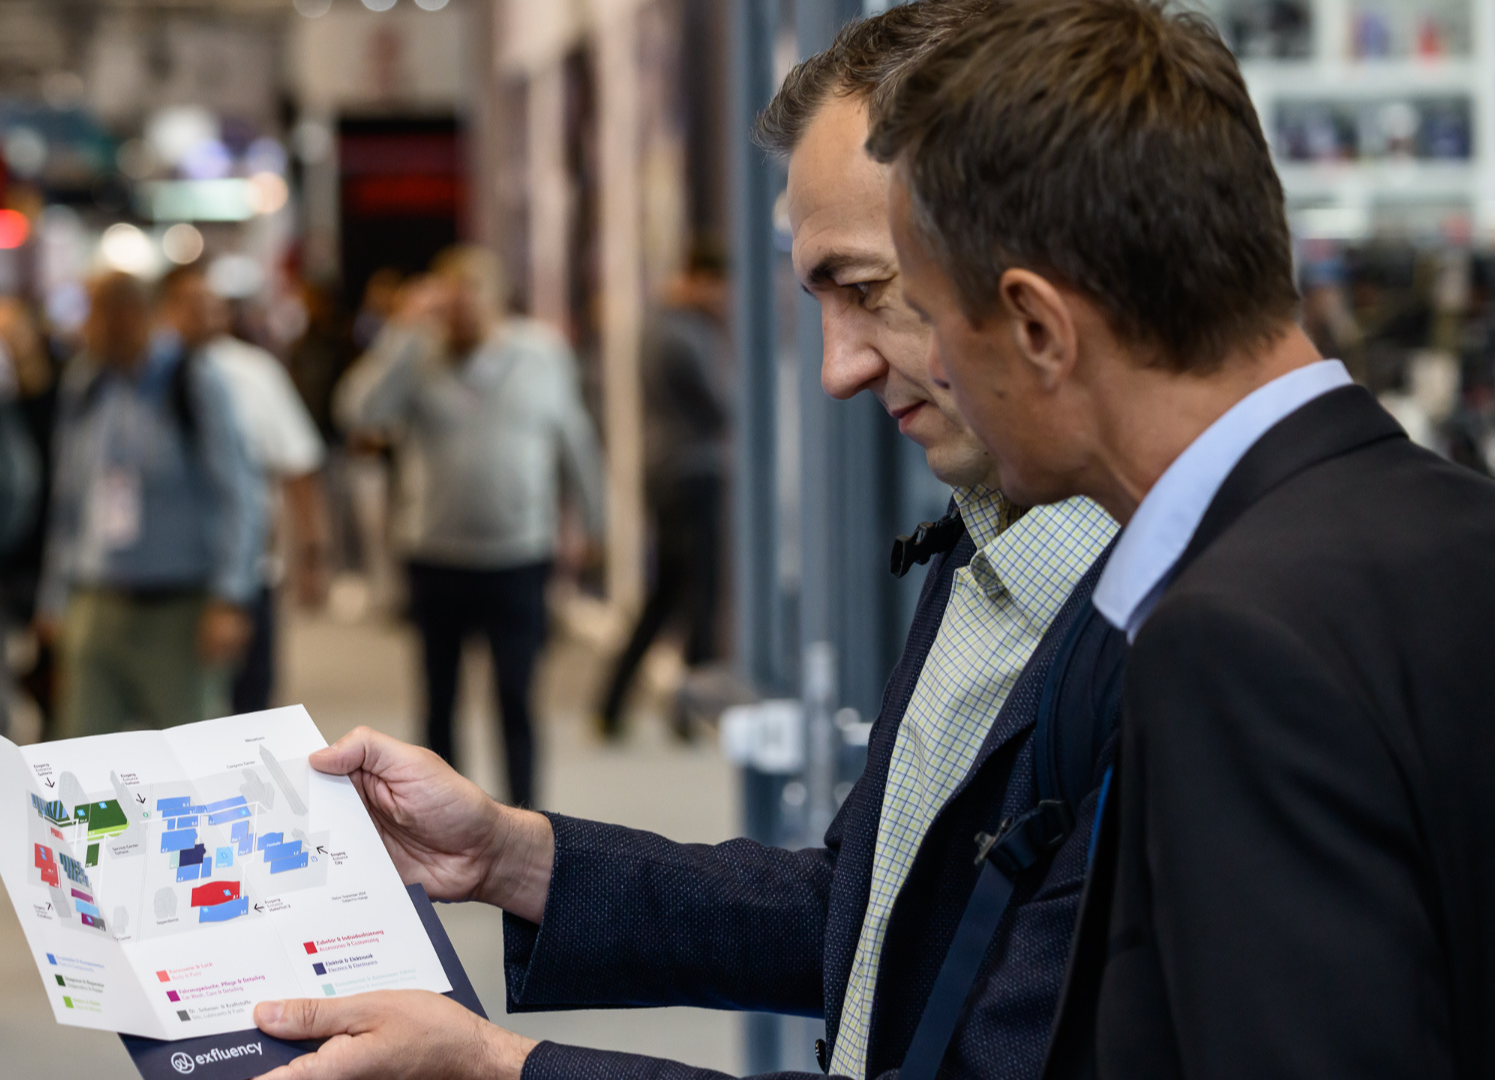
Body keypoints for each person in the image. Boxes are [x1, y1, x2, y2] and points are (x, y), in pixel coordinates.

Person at [238, 9, 1128, 1080]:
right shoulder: (986, 546)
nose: (838, 368)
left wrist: (494, 1068)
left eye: (870, 291)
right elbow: (859, 917)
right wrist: (512, 856)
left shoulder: (1173, 628)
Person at [863, 2, 1495, 1076]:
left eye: (926, 317)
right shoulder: (1457, 530)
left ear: (1036, 328)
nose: (930, 372)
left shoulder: (1234, 645)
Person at [335, 247, 605, 810]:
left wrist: (595, 522)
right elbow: (356, 411)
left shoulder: (540, 354)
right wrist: (402, 336)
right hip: (436, 555)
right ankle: (442, 815)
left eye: (470, 300)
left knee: (516, 696)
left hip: (518, 555)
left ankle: (529, 817)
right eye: (449, 303)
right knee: (439, 700)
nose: (459, 315)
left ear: (496, 301)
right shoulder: (417, 358)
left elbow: (575, 441)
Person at [36, 271, 262, 737]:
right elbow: (67, 503)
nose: (97, 330)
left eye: (110, 315)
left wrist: (230, 597)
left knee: (188, 760)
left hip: (178, 609)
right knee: (82, 764)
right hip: (97, 601)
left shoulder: (191, 381)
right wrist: (53, 598)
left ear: (140, 316)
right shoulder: (86, 383)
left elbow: (236, 494)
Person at [156, 266, 329, 714]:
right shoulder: (143, 379)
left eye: (210, 305)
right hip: (168, 582)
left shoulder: (254, 373)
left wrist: (312, 554)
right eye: (188, 304)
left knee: (249, 712)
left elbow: (298, 466)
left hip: (249, 571)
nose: (202, 315)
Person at [595, 242, 732, 740]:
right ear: (697, 278)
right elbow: (723, 401)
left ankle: (613, 705)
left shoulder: (660, 325)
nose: (725, 299)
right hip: (691, 476)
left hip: (669, 476)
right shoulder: (685, 333)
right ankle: (688, 712)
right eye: (719, 287)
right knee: (697, 597)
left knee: (667, 596)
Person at [0, 294, 64, 737]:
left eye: (11, 333)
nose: (4, 345)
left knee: (54, 679)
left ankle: (53, 769)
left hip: (50, 553)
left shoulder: (65, 395)